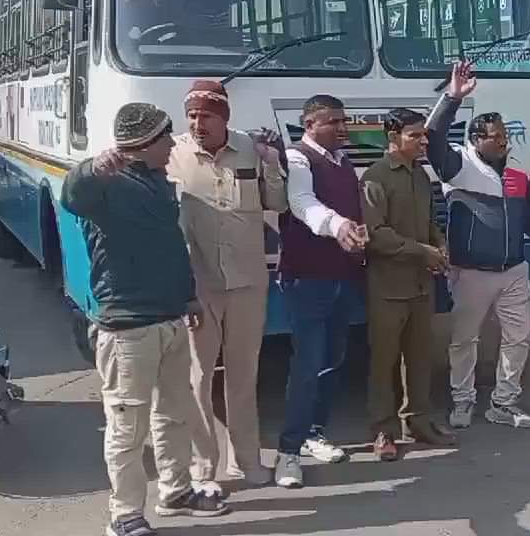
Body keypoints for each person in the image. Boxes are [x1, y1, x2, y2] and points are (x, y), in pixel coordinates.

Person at [61, 103, 230, 536]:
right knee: (127, 427)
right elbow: (72, 195)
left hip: (170, 318)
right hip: (126, 328)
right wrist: (92, 167)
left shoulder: (157, 183)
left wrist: (188, 298)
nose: (173, 143)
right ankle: (125, 516)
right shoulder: (106, 184)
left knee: (173, 414)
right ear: (142, 145)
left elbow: (171, 248)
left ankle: (174, 492)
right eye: (165, 138)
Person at [165, 80, 288, 493]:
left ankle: (247, 462)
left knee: (243, 376)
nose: (198, 123)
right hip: (199, 288)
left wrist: (271, 162)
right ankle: (204, 468)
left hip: (249, 283)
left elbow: (278, 203)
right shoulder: (173, 154)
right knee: (199, 378)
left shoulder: (251, 149)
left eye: (207, 115)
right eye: (193, 115)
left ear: (224, 118)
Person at [426, 62, 530, 430]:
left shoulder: (515, 173)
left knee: (518, 339)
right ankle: (463, 401)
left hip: (515, 271)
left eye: (504, 137)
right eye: (495, 137)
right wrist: (452, 97)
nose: (504, 142)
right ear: (475, 139)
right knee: (464, 341)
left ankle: (504, 401)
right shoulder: (457, 167)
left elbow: (528, 211)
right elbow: (433, 137)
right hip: (471, 274)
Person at [274, 95, 369, 489]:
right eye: (333, 122)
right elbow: (302, 203)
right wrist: (337, 225)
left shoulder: (343, 162)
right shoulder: (298, 158)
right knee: (307, 364)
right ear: (309, 124)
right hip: (307, 279)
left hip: (342, 277)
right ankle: (288, 454)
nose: (342, 128)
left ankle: (315, 433)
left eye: (344, 121)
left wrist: (360, 236)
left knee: (333, 359)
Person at [360, 107, 457, 461]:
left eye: (424, 135)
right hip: (388, 286)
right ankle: (383, 430)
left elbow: (431, 221)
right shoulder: (375, 177)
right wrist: (422, 252)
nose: (422, 141)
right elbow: (375, 234)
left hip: (420, 284)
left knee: (419, 358)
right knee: (384, 361)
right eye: (415, 135)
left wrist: (440, 245)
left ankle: (418, 421)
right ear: (393, 138)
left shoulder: (420, 175)